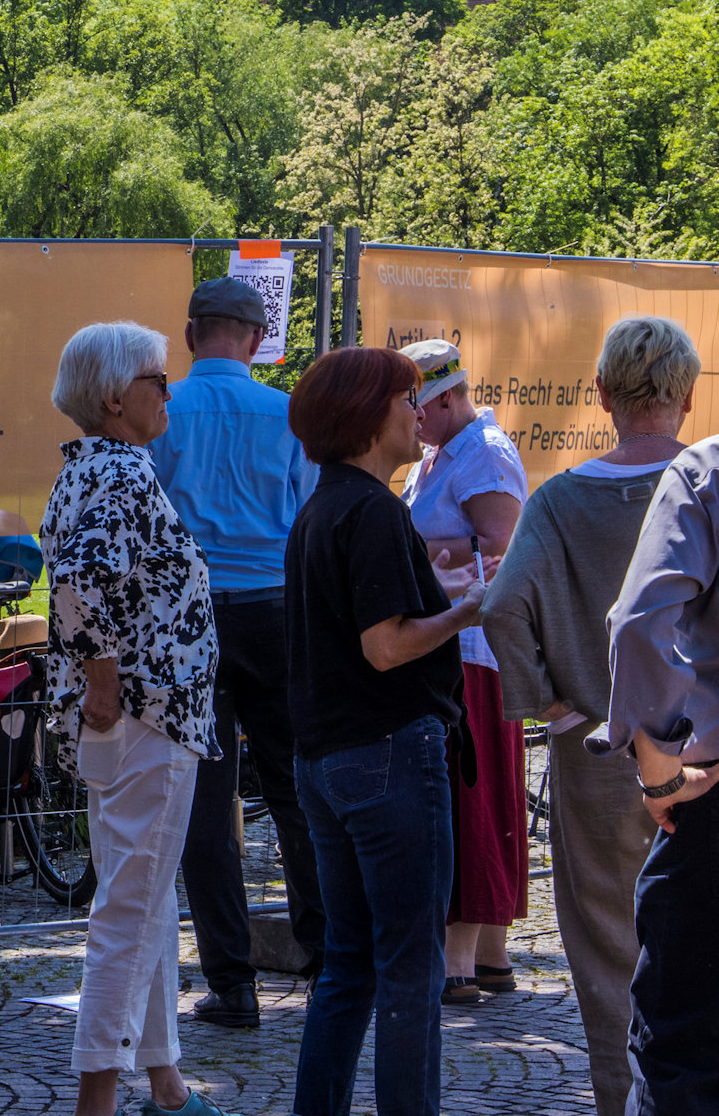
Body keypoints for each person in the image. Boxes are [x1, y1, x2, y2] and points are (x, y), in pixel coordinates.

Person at [481, 315, 698, 1116]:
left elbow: (503, 606)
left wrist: (551, 706)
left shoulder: (561, 500)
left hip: (601, 750)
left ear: (601, 392)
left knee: (612, 952)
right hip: (706, 750)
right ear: (686, 393)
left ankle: (627, 1101)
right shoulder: (707, 484)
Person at [284, 347, 484, 1116]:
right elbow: (386, 644)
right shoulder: (369, 511)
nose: (416, 411)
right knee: (410, 970)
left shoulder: (323, 506)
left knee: (350, 964)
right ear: (369, 416)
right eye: (406, 398)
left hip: (329, 762)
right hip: (387, 753)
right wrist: (469, 609)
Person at [44, 321, 233, 1116]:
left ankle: (166, 1086)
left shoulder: (88, 469)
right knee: (130, 906)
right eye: (160, 380)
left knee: (145, 898)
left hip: (133, 717)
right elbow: (82, 581)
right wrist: (103, 679)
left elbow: (82, 579)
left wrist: (100, 684)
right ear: (118, 397)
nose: (170, 394)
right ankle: (98, 1100)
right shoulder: (122, 474)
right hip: (148, 715)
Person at [148, 277, 324, 1028]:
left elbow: (149, 523)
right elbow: (311, 515)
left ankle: (231, 982)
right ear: (256, 341)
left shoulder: (162, 416)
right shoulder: (290, 416)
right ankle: (326, 960)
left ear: (191, 336)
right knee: (298, 791)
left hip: (193, 617)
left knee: (206, 803)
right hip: (276, 612)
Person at [396, 338, 530, 1005]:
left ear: (448, 398)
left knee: (470, 799)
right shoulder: (441, 457)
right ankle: (489, 955)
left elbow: (504, 550)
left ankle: (461, 961)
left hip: (474, 651)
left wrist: (408, 550)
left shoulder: (483, 453)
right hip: (456, 646)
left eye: (419, 407)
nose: (413, 420)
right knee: (473, 797)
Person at [598, 427, 719, 1113]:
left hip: (709, 809)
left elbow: (640, 621)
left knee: (683, 1053)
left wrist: (660, 767)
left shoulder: (707, 472)